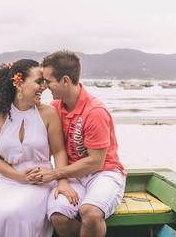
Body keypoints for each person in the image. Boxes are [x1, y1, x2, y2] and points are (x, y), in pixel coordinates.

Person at [0, 59, 71, 237]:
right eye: (39, 82)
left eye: (45, 82)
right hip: (8, 182)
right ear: (19, 83)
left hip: (41, 183)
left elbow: (60, 151)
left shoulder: (48, 114)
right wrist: (19, 177)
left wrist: (62, 181)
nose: (44, 87)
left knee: (15, 213)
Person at [31, 50, 125, 237]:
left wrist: (55, 174)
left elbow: (96, 162)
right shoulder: (55, 108)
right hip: (73, 175)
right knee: (58, 217)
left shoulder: (95, 112)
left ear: (65, 80)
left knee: (89, 213)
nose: (45, 86)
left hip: (103, 173)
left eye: (48, 81)